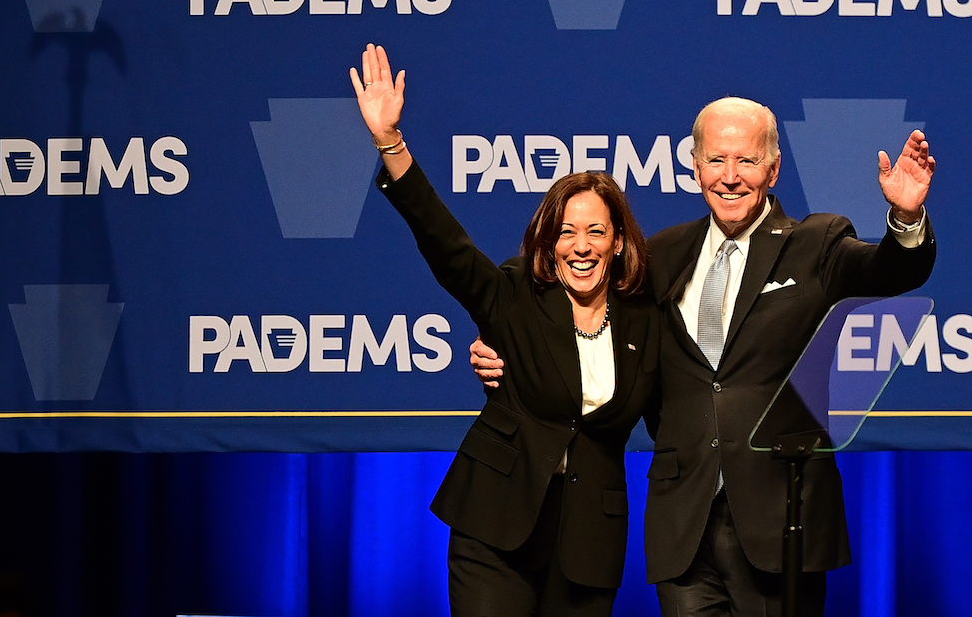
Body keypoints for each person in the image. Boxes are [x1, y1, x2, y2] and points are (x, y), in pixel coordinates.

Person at [472, 96, 936, 616]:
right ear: (695, 168)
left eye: (746, 160)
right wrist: (504, 343)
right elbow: (587, 308)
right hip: (683, 522)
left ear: (773, 169)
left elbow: (891, 272)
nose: (730, 177)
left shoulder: (816, 243)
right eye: (716, 160)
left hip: (778, 518)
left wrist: (906, 217)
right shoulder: (662, 254)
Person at [351, 43, 661, 617]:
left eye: (596, 231)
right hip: (495, 529)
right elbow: (447, 247)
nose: (582, 246)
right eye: (567, 233)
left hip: (588, 545)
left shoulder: (648, 320)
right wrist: (391, 144)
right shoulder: (517, 295)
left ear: (618, 242)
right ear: (551, 241)